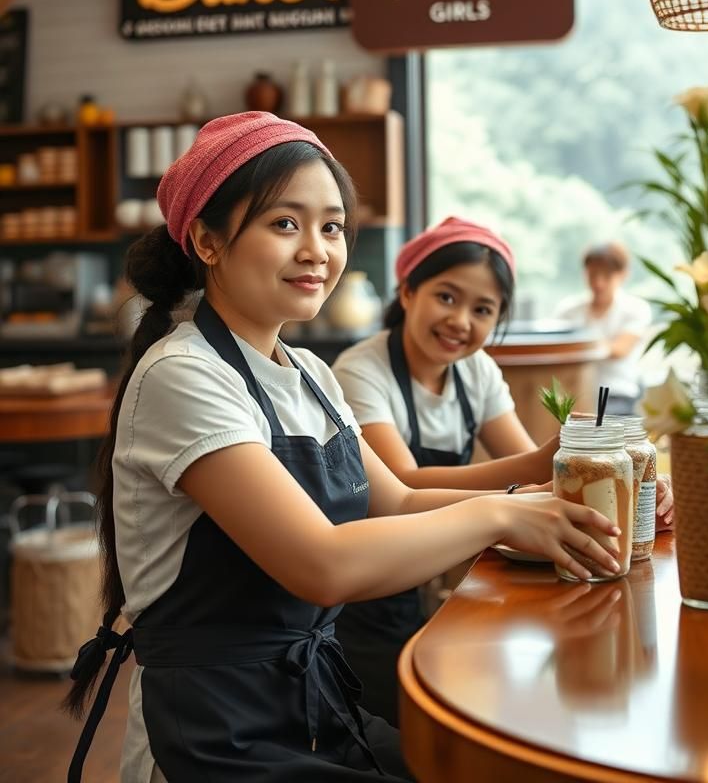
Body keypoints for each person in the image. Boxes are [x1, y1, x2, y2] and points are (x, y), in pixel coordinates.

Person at [64, 113, 622, 783]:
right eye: (284, 223)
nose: (317, 250)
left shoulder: (312, 375)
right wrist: (504, 515)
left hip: (311, 704)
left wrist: (536, 497)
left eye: (331, 226)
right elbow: (321, 565)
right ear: (208, 241)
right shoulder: (181, 375)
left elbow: (401, 499)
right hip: (216, 735)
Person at [331, 219, 673, 725]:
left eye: (483, 310)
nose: (461, 321)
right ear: (407, 291)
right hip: (371, 583)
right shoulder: (359, 371)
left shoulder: (477, 371)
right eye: (447, 297)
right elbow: (399, 485)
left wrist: (640, 489)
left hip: (438, 576)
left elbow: (536, 476)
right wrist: (542, 466)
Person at [556, 242, 653, 416]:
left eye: (606, 276)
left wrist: (576, 345)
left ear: (623, 275)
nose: (598, 283)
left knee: (596, 428)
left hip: (617, 395)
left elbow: (619, 350)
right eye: (592, 275)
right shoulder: (568, 310)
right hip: (574, 395)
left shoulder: (636, 309)